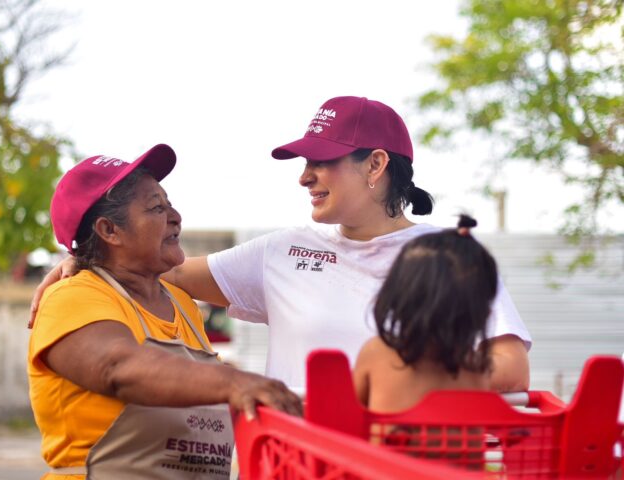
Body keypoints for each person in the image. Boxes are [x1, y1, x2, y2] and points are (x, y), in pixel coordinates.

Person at [31, 96, 531, 393]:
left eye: (322, 161)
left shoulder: (452, 257)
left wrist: (396, 393)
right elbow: (159, 269)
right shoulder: (283, 252)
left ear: (376, 165)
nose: (305, 177)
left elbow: (511, 368)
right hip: (296, 463)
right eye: (303, 163)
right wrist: (81, 258)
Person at [28, 145, 301, 480]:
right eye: (157, 207)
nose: (176, 217)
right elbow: (118, 367)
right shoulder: (71, 296)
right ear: (109, 231)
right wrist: (234, 382)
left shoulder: (181, 304)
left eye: (170, 204)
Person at [353, 215, 496, 412]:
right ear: (482, 310)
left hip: (384, 444)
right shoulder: (476, 365)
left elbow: (348, 414)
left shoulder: (377, 352)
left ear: (396, 295)